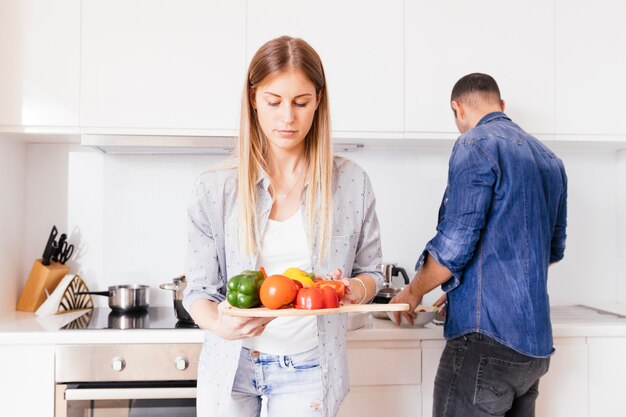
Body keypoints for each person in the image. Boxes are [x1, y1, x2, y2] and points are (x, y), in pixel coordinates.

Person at [183, 35, 383, 417]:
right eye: (274, 102)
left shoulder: (352, 183)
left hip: (309, 368)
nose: (287, 117)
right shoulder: (214, 187)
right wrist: (220, 326)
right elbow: (198, 292)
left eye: (301, 102)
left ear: (318, 101)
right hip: (230, 365)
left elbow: (370, 273)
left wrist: (350, 289)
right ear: (253, 99)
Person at [391, 73, 568, 417]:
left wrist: (413, 291)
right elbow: (548, 253)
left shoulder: (475, 144)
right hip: (534, 350)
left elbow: (453, 245)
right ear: (502, 106)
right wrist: (465, 290)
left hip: (485, 344)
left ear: (457, 109)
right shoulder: (552, 162)